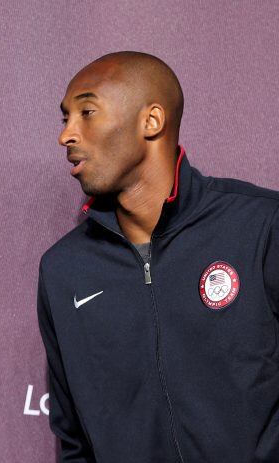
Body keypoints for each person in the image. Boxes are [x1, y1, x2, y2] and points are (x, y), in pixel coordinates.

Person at [38, 51, 279, 462]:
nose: (66, 135)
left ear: (151, 121)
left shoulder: (261, 226)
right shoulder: (63, 270)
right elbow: (73, 439)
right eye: (65, 119)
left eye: (87, 112)